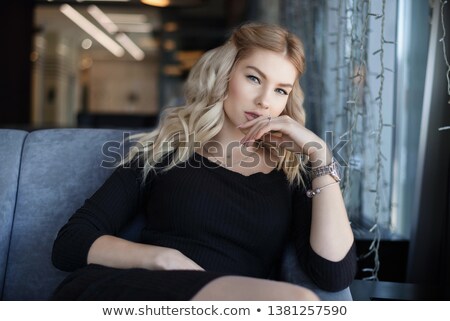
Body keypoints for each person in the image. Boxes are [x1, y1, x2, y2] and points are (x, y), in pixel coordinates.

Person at [51, 22, 356, 301]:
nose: (264, 100)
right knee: (297, 303)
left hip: (227, 306)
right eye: (253, 78)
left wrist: (320, 156)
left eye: (279, 90)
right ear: (224, 75)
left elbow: (333, 275)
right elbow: (70, 243)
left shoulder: (296, 174)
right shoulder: (167, 151)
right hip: (133, 292)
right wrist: (163, 259)